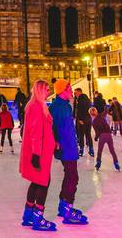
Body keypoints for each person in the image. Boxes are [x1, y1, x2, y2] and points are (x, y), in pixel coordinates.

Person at [19, 79, 57, 231]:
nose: (49, 92)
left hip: (43, 150)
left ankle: (28, 215)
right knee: (43, 182)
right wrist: (36, 154)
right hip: (39, 152)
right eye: (46, 89)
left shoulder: (39, 105)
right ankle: (38, 218)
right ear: (40, 90)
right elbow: (35, 132)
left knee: (37, 181)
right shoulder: (35, 106)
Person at [49, 79, 88, 225]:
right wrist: (57, 142)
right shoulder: (59, 107)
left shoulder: (64, 105)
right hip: (66, 147)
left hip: (69, 145)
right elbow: (55, 127)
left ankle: (63, 205)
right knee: (73, 177)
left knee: (70, 176)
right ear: (62, 91)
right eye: (69, 89)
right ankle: (67, 208)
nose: (71, 91)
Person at [91, 107, 120, 172]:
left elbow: (97, 132)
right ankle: (116, 163)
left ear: (91, 114)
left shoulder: (93, 123)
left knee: (100, 150)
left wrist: (96, 138)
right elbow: (106, 111)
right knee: (112, 150)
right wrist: (105, 108)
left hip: (102, 136)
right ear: (96, 112)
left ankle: (98, 163)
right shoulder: (101, 115)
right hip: (109, 135)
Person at [73, 88, 94, 157]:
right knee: (88, 135)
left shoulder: (80, 99)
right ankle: (91, 150)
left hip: (82, 120)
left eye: (75, 93)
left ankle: (81, 150)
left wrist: (80, 119)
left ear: (79, 92)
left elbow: (80, 110)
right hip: (88, 120)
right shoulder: (87, 99)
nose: (75, 94)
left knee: (81, 135)